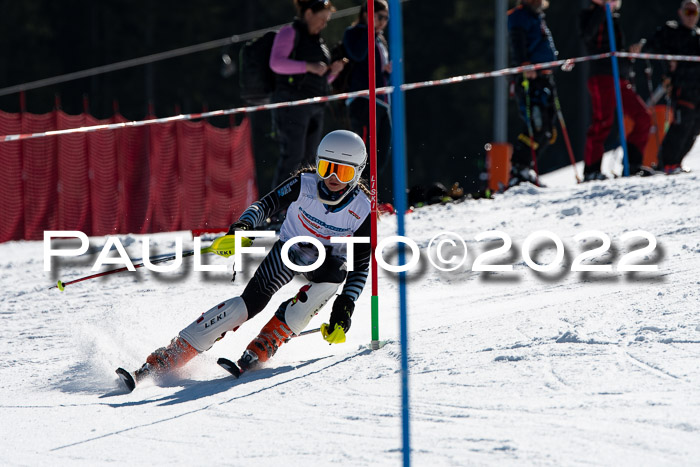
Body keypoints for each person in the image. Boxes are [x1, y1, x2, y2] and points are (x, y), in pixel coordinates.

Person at [117, 130, 371, 391]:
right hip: (289, 251)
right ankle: (170, 355)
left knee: (333, 280)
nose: (331, 178)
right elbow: (265, 206)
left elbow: (361, 264)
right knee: (248, 305)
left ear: (357, 173)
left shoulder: (362, 209)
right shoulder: (303, 184)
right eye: (326, 167)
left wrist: (345, 306)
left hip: (326, 263)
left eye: (343, 173)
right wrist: (241, 228)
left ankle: (268, 341)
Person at [269, 0, 346, 189]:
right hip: (292, 103)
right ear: (309, 13)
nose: (324, 24)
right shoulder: (290, 32)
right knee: (292, 156)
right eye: (322, 19)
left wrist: (333, 72)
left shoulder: (317, 40)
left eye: (326, 20)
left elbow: (319, 81)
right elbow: (276, 63)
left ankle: (303, 205)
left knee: (310, 159)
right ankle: (277, 208)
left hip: (315, 106)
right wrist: (309, 66)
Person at [580, 0, 652, 181]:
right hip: (601, 76)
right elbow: (588, 36)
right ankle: (591, 169)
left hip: (618, 76)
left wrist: (627, 55)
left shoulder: (614, 16)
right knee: (602, 122)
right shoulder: (589, 14)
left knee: (643, 116)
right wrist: (602, 9)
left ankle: (633, 163)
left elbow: (615, 50)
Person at [343, 0, 393, 201]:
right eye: (378, 17)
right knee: (361, 153)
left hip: (382, 101)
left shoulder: (380, 38)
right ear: (366, 14)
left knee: (381, 155)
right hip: (362, 100)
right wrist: (368, 31)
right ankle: (352, 197)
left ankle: (367, 198)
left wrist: (386, 72)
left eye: (385, 18)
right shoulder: (354, 33)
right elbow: (357, 53)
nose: (382, 22)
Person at [507, 0, 558, 187]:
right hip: (530, 79)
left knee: (546, 130)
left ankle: (524, 168)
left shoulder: (538, 16)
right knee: (537, 126)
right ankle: (519, 168)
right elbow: (516, 42)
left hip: (544, 78)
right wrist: (523, 63)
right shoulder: (519, 15)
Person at [646, 0, 700, 174]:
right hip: (682, 87)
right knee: (680, 125)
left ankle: (676, 163)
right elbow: (651, 46)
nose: (691, 16)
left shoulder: (698, 36)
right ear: (680, 12)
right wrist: (669, 62)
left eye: (694, 12)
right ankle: (666, 163)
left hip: (697, 90)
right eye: (688, 12)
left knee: (694, 128)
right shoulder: (672, 31)